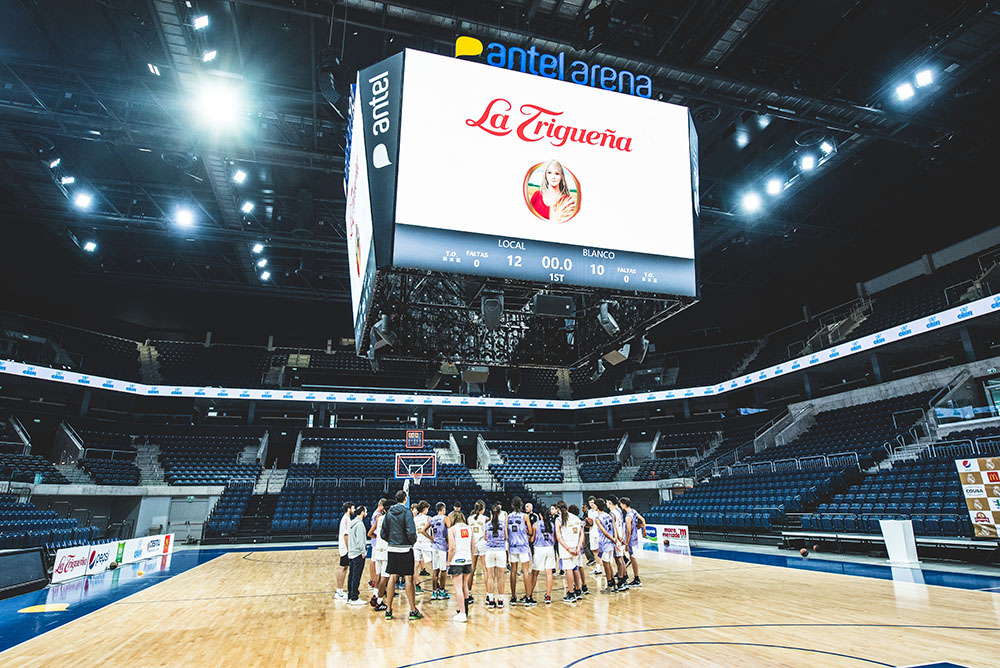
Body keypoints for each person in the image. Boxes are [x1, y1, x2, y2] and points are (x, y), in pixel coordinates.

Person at [380, 490, 422, 620]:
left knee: (392, 577)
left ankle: (388, 610)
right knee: (408, 578)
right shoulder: (407, 512)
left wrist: (391, 541)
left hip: (392, 549)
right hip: (405, 549)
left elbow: (383, 533)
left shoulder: (389, 513)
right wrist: (411, 542)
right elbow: (411, 532)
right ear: (405, 499)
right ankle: (413, 610)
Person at [446, 509, 475, 622]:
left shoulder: (452, 530)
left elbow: (451, 548)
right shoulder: (469, 528)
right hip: (467, 559)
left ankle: (462, 613)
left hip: (457, 560)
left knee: (458, 588)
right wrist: (471, 558)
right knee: (465, 586)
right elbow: (473, 546)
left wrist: (448, 561)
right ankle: (465, 611)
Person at [556, 501, 585, 602]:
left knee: (568, 569)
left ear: (558, 509)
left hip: (566, 548)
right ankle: (578, 590)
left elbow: (559, 537)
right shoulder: (576, 518)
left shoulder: (559, 519)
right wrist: (578, 547)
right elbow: (581, 534)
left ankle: (571, 593)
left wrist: (568, 549)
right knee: (575, 568)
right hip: (576, 547)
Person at [527, 503, 556, 605]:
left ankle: (529, 595)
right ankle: (548, 596)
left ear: (540, 515)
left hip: (539, 548)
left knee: (534, 573)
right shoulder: (552, 524)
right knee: (549, 573)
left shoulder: (536, 524)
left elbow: (532, 539)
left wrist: (528, 537)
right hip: (550, 548)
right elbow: (554, 539)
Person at [507, 496, 533, 606]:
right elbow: (530, 531)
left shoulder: (508, 516)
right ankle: (528, 597)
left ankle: (513, 597)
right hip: (523, 546)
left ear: (512, 505)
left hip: (513, 545)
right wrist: (526, 530)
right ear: (521, 505)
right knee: (525, 571)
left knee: (513, 571)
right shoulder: (525, 516)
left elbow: (507, 530)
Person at [423, 502, 451, 601]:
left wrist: (431, 538)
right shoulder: (445, 518)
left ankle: (434, 592)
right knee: (443, 570)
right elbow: (450, 530)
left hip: (434, 546)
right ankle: (442, 591)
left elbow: (423, 531)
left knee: (435, 570)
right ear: (443, 509)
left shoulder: (432, 519)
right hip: (442, 546)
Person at [483, 502, 508, 609]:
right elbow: (506, 537)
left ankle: (491, 600)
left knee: (490, 576)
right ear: (499, 513)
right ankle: (500, 600)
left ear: (490, 513)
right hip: (501, 551)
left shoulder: (487, 524)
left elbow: (485, 538)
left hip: (489, 551)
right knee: (501, 577)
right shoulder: (502, 524)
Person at [593, 498, 618, 594]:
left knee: (606, 565)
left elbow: (605, 532)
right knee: (609, 564)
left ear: (597, 506)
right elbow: (614, 528)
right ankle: (613, 584)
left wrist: (612, 539)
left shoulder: (597, 518)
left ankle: (610, 586)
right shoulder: (608, 515)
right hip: (611, 542)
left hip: (605, 543)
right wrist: (614, 539)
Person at [368, 499, 390, 609]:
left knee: (378, 575)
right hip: (386, 550)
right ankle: (380, 601)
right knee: (384, 577)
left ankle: (375, 595)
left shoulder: (379, 519)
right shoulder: (390, 520)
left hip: (378, 549)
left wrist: (378, 538)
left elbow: (370, 533)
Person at [466, 500, 488, 605]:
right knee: (485, 569)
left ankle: (468, 594)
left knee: (472, 569)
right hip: (482, 542)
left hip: (473, 543)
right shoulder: (485, 518)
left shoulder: (469, 519)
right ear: (482, 509)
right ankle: (489, 595)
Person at [347, 506, 369, 606]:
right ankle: (354, 598)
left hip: (351, 552)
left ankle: (350, 596)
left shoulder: (352, 523)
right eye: (366, 511)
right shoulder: (359, 524)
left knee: (351, 575)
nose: (366, 513)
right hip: (357, 553)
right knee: (356, 576)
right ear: (362, 512)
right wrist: (363, 552)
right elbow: (360, 540)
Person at [607, 496, 629, 592]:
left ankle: (620, 581)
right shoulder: (619, 511)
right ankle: (624, 579)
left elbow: (614, 528)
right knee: (621, 559)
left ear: (609, 502)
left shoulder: (612, 513)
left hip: (617, 538)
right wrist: (622, 536)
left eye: (607, 502)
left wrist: (617, 539)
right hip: (621, 537)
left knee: (618, 560)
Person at [621, 497, 644, 587]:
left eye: (621, 504)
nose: (620, 505)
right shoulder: (634, 511)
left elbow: (629, 531)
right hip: (635, 539)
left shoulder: (628, 516)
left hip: (631, 540)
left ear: (624, 504)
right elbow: (643, 519)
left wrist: (626, 543)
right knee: (632, 558)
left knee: (633, 559)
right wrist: (644, 529)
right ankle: (633, 577)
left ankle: (637, 579)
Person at [335, 501, 355, 600]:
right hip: (345, 548)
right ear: (348, 509)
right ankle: (339, 591)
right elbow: (346, 535)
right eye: (353, 508)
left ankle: (339, 590)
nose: (354, 510)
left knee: (343, 568)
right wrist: (349, 549)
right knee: (343, 568)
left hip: (344, 548)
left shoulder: (346, 519)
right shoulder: (346, 519)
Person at [368, 498, 387, 589]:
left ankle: (373, 580)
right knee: (374, 562)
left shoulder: (376, 513)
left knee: (374, 561)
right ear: (381, 506)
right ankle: (373, 580)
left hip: (375, 541)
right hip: (377, 542)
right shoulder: (378, 516)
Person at [413, 501, 433, 589]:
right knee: (434, 563)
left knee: (416, 564)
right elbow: (432, 530)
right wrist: (432, 539)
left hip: (417, 542)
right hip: (426, 543)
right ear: (425, 509)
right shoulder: (428, 518)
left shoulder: (414, 519)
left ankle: (416, 584)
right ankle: (437, 585)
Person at [586, 497, 600, 572]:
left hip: (599, 533)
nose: (591, 504)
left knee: (602, 551)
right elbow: (590, 523)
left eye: (592, 502)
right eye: (590, 502)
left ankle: (607, 569)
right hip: (592, 532)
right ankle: (598, 568)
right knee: (594, 551)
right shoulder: (589, 512)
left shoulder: (598, 511)